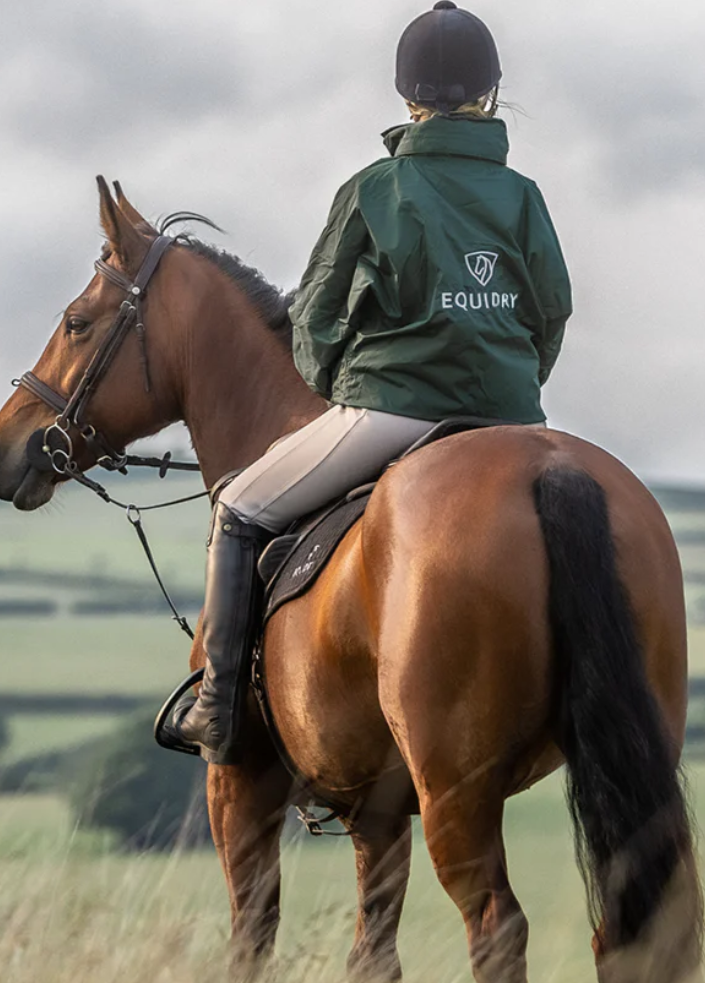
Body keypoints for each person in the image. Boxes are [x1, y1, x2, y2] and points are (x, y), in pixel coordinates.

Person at [158, 0, 573, 764]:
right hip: (513, 418)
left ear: (406, 94)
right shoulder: (525, 197)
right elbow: (553, 311)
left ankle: (217, 707)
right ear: (490, 90)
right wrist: (510, 389)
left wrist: (333, 386)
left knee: (240, 507)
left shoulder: (374, 189)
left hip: (394, 411)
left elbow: (314, 316)